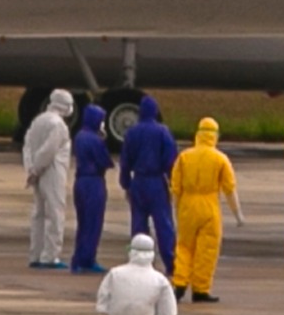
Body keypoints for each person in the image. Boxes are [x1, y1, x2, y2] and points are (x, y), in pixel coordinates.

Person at [170, 117, 244, 303]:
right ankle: (200, 289)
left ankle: (179, 284)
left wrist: (176, 210)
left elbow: (175, 188)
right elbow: (230, 189)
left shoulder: (185, 156)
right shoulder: (220, 158)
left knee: (184, 246)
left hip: (187, 205)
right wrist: (238, 215)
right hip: (209, 205)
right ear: (215, 135)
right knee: (207, 249)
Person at [120, 95, 179, 280]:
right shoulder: (162, 132)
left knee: (138, 224)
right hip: (156, 182)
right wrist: (172, 183)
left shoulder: (131, 132)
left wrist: (126, 184)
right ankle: (171, 263)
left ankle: (138, 262)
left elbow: (125, 161)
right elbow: (171, 160)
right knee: (164, 225)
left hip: (138, 182)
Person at [23, 88, 75, 270]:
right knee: (54, 213)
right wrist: (36, 169)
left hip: (37, 171)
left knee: (38, 214)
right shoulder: (58, 125)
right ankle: (50, 256)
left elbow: (28, 146)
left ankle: (35, 253)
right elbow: (48, 150)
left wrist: (30, 169)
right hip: (52, 172)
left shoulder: (38, 120)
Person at [70, 103, 113, 274]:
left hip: (80, 181)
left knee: (83, 222)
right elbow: (105, 161)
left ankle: (78, 258)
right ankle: (87, 259)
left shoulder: (80, 135)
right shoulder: (95, 139)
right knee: (93, 222)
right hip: (94, 181)